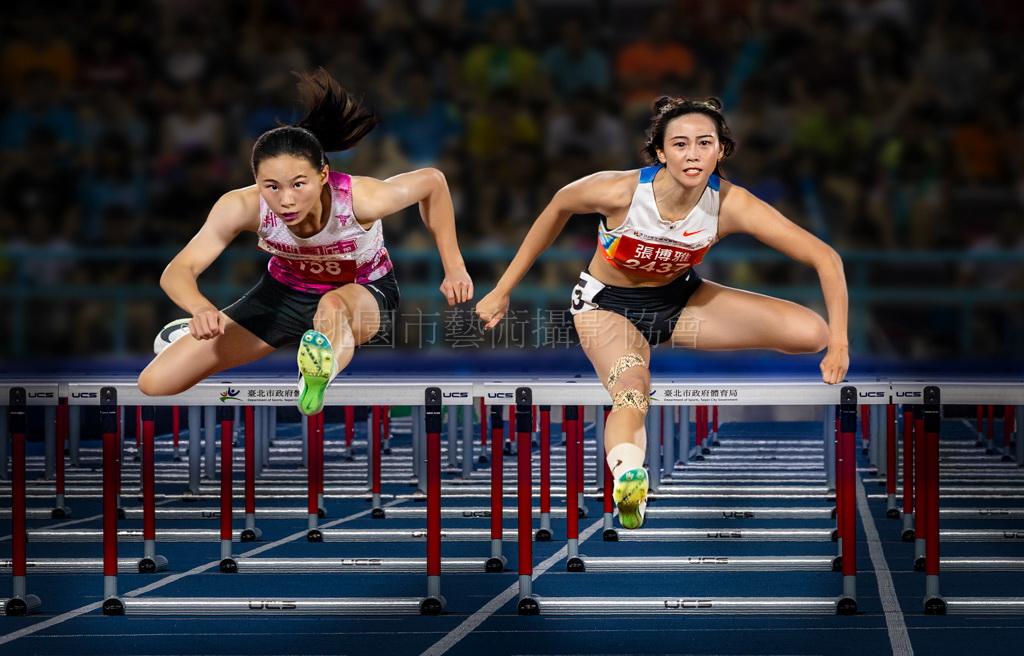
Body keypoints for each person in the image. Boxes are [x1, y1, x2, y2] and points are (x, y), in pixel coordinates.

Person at [475, 96, 848, 530]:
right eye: (680, 144)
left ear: (721, 151)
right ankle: (630, 477)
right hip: (606, 307)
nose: (693, 154)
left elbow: (826, 257)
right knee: (633, 386)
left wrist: (839, 343)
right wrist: (503, 289)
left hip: (680, 302)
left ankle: (659, 354)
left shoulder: (732, 204)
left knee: (811, 333)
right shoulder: (619, 191)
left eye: (704, 143)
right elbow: (558, 204)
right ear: (660, 152)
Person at [139, 68, 473, 415]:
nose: (286, 200)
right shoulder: (241, 206)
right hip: (283, 296)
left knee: (332, 305)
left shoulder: (362, 199)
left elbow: (433, 182)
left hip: (363, 295)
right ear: (256, 180)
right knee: (155, 383)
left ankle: (316, 375)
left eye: (299, 184)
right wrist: (200, 308)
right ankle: (187, 334)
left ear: (323, 174)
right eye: (272, 186)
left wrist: (454, 267)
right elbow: (178, 270)